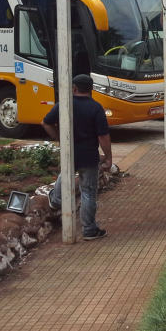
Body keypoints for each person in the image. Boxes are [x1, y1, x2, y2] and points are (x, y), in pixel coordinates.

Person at [42, 74, 111, 241]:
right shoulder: (96, 108)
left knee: (65, 175)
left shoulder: (64, 104)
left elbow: (45, 123)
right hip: (88, 155)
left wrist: (60, 139)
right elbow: (103, 136)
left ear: (74, 88)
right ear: (91, 89)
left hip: (69, 152)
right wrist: (108, 157)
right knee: (88, 192)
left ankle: (56, 200)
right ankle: (89, 230)